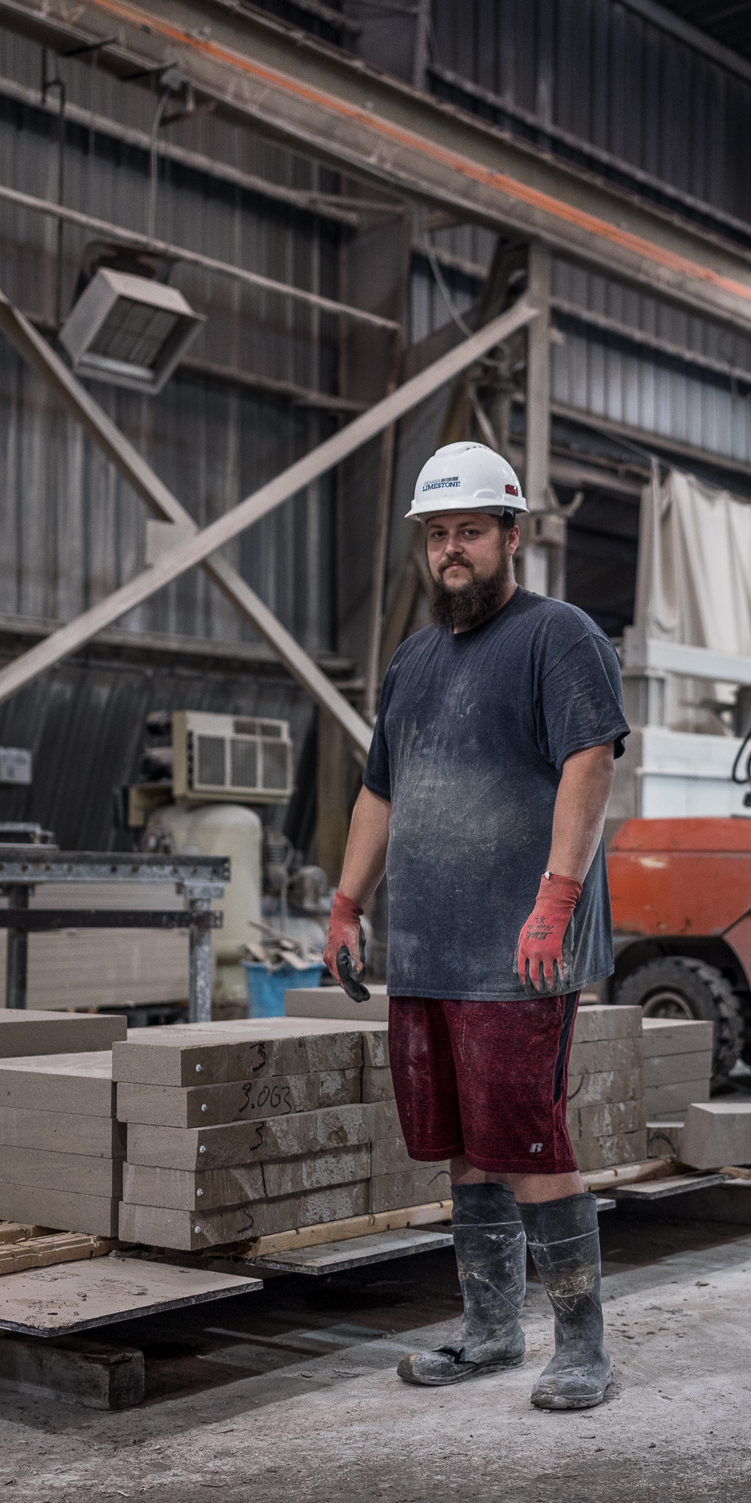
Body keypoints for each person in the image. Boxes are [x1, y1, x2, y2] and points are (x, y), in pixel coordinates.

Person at [323, 440, 629, 1411]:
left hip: (518, 947)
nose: (452, 549)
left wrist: (555, 899)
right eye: (438, 533)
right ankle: (491, 1328)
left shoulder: (559, 635)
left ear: (511, 534)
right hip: (432, 947)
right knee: (462, 1146)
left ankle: (582, 1346)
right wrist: (345, 901)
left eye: (470, 531)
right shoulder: (414, 659)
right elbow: (381, 790)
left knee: (527, 1139)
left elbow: (590, 763)